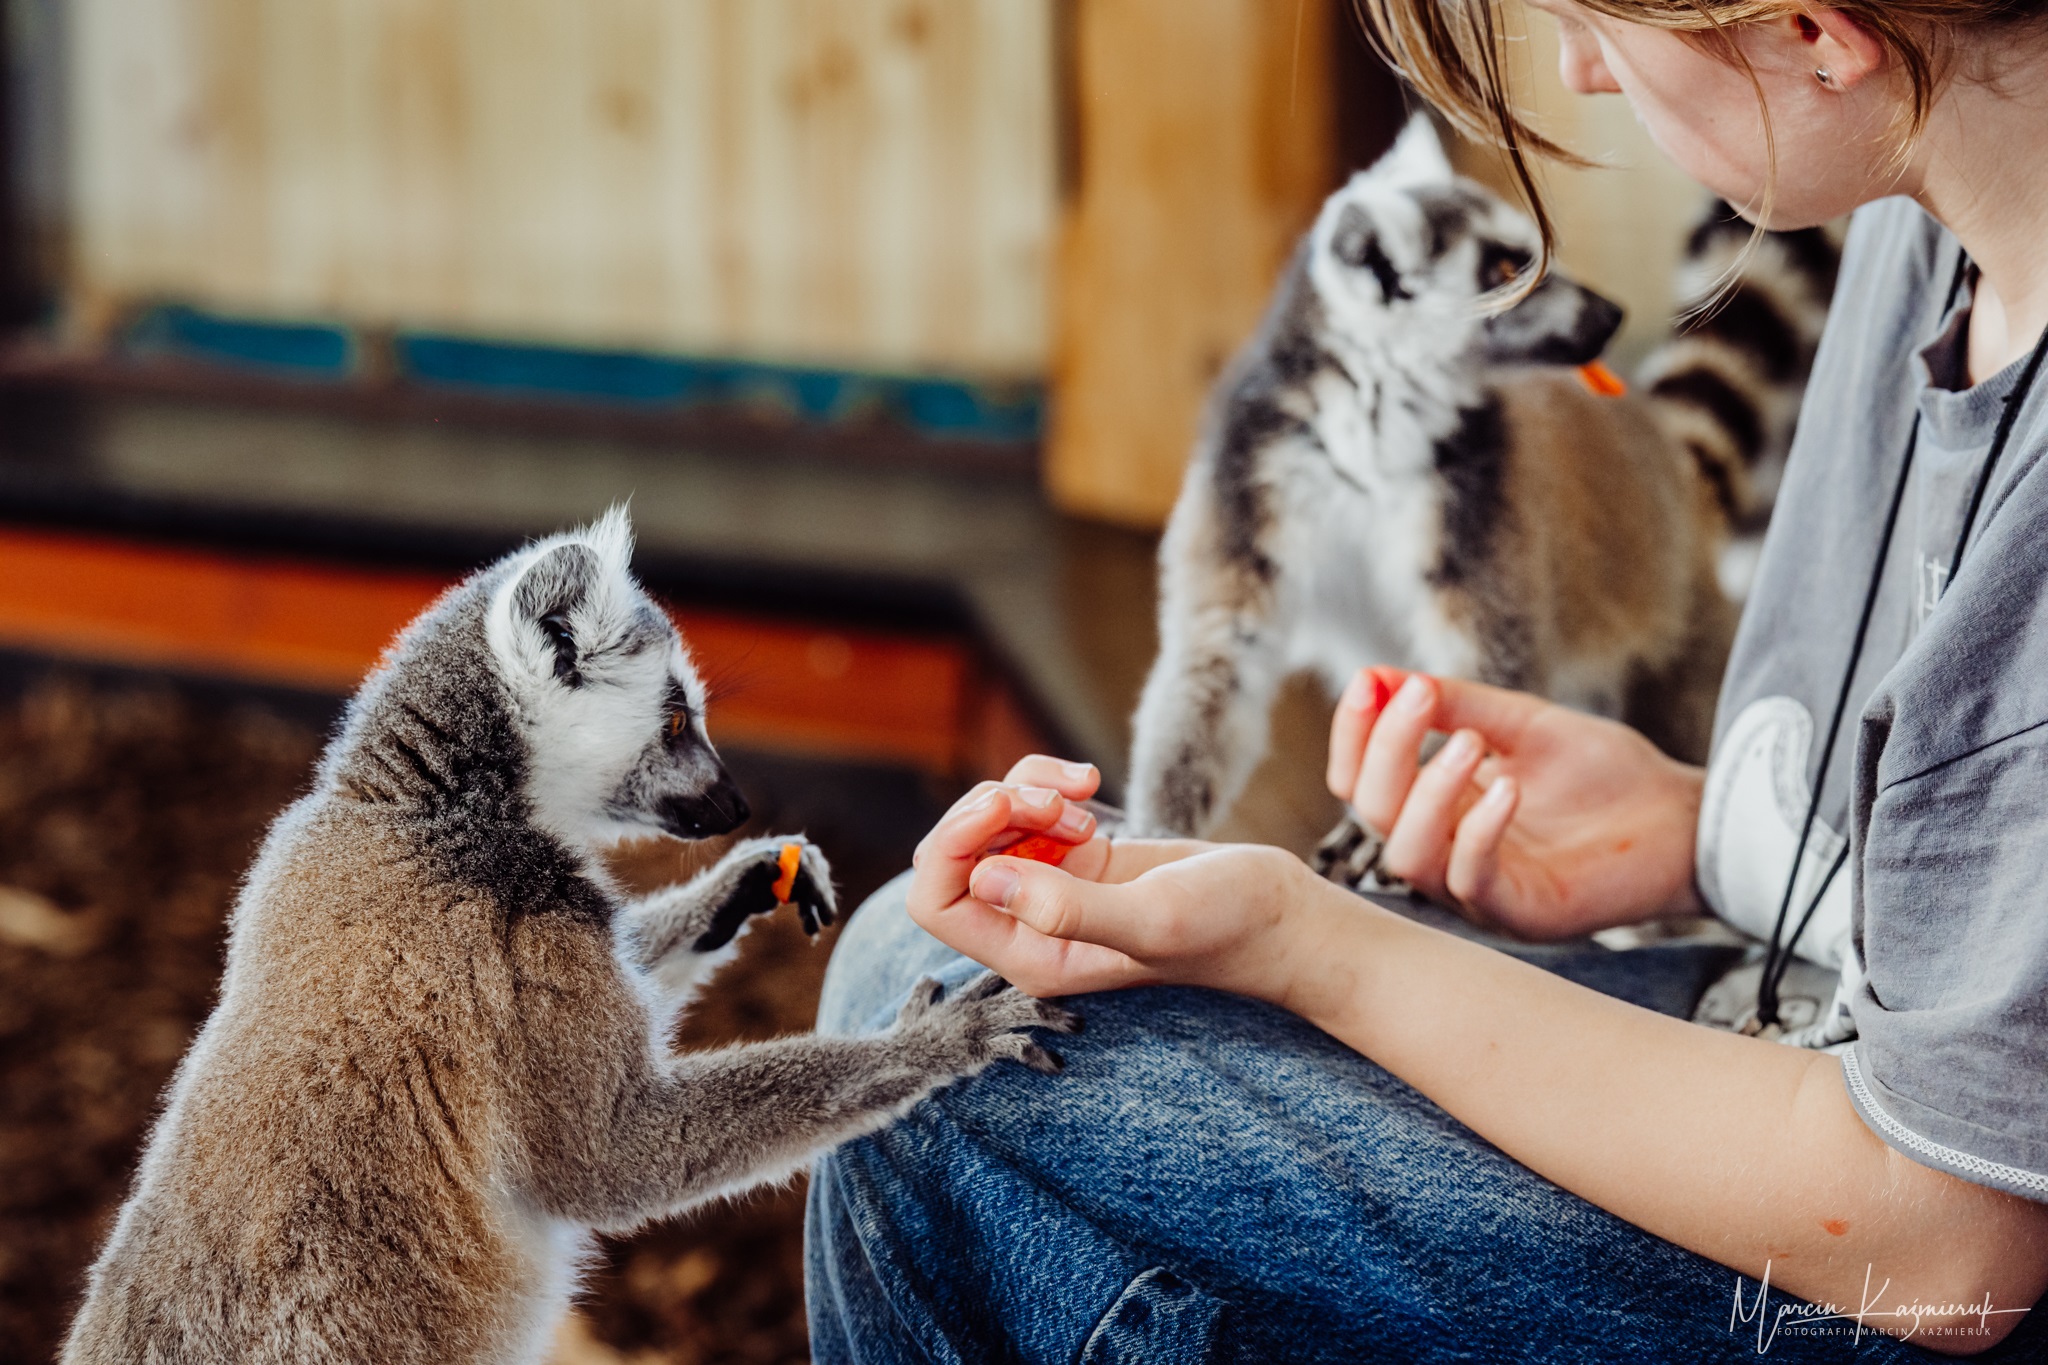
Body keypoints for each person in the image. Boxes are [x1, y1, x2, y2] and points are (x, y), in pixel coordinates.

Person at [804, 1, 2048, 1358]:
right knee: (922, 961)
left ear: (1817, 30)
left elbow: (1952, 1246)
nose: (1579, 70)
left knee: (948, 1092)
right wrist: (1699, 830)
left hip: (1908, 1248)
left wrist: (1307, 943)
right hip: (1792, 1022)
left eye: (1591, 17)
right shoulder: (1927, 213)